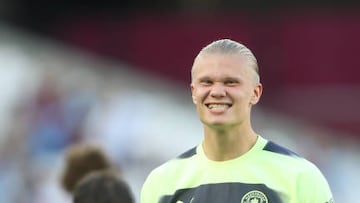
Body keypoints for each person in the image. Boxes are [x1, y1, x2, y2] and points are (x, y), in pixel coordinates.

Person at [141, 39, 334, 203]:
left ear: (255, 93)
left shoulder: (299, 177)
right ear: (194, 93)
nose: (216, 92)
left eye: (230, 82)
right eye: (206, 82)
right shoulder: (162, 183)